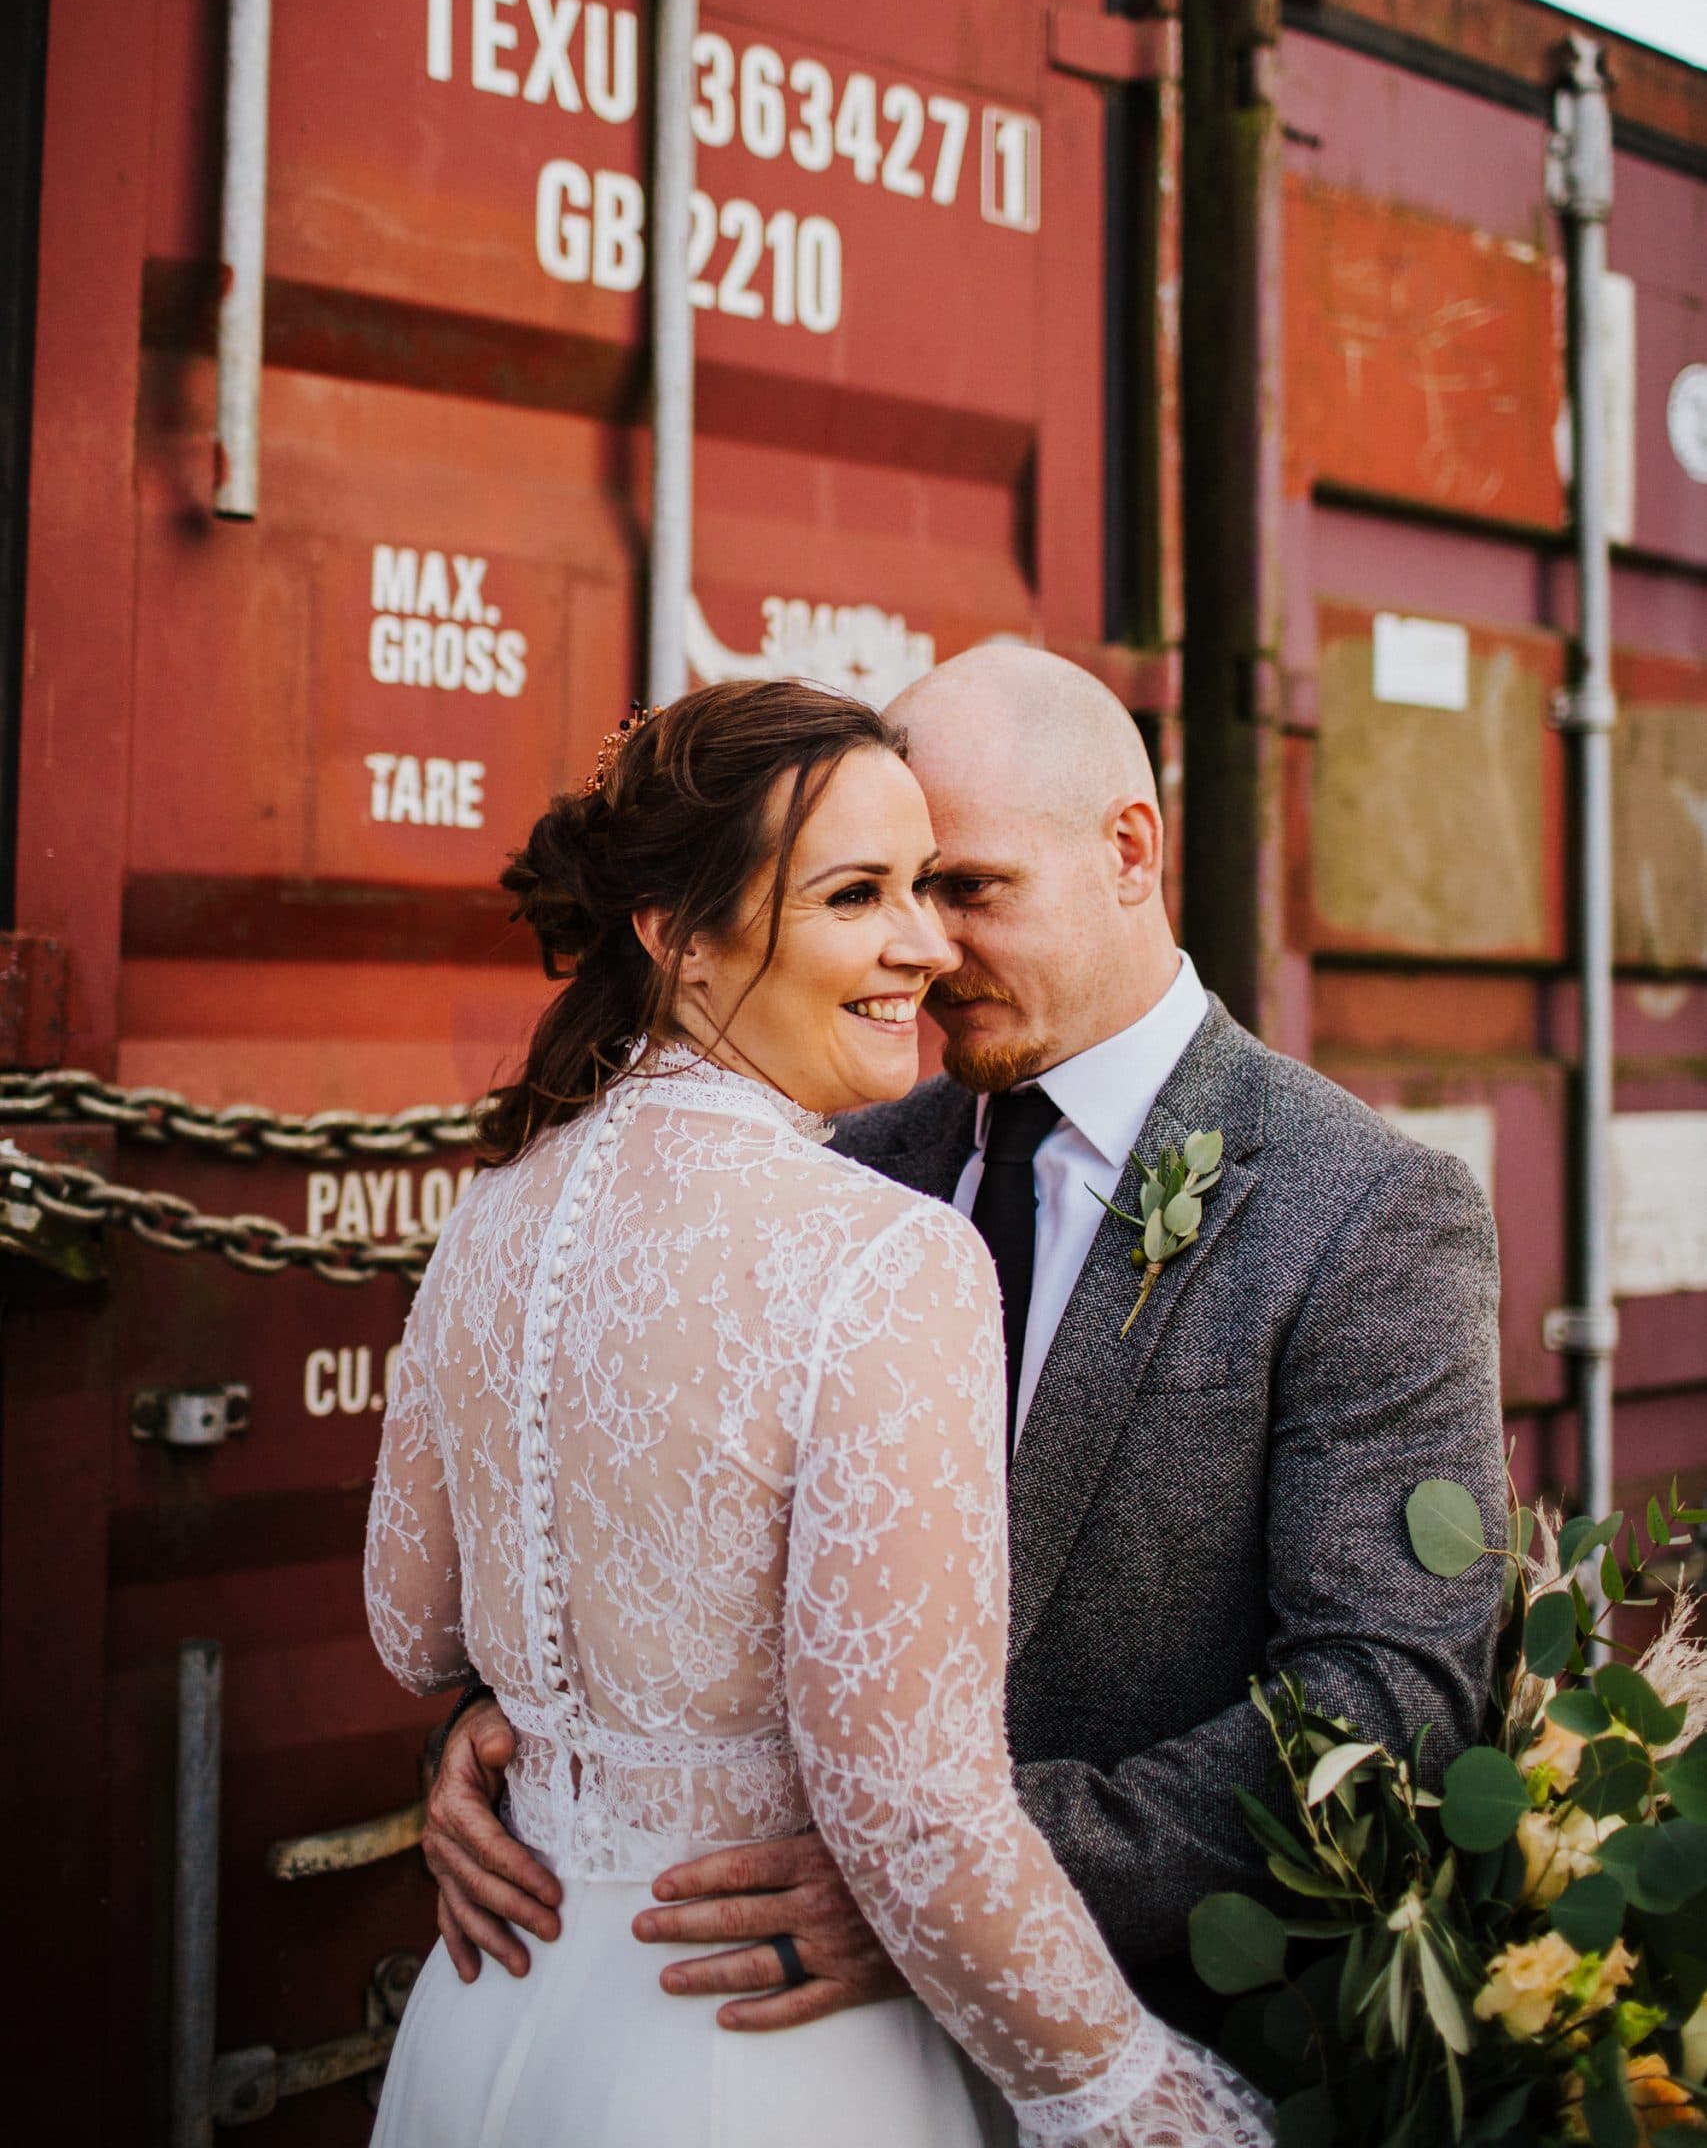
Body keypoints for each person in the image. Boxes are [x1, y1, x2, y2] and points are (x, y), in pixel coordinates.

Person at [422, 645, 1507, 2055]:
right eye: (893, 889)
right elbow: (633, 1525)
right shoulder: (837, 1168)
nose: (925, 949)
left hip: (1140, 2014)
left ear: (1131, 850)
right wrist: (500, 1731)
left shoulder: (1365, 1212)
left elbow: (1391, 1699)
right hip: (769, 2040)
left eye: (969, 888)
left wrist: (939, 1884)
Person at [365, 677, 1272, 2147]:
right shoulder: (882, 1254)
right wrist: (1141, 2104)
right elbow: (913, 1813)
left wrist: (546, 1734)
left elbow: (414, 1633)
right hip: (757, 2061)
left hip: (498, 2020)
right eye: (861, 895)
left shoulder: (488, 1222)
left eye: (930, 885)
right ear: (676, 934)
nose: (926, 944)